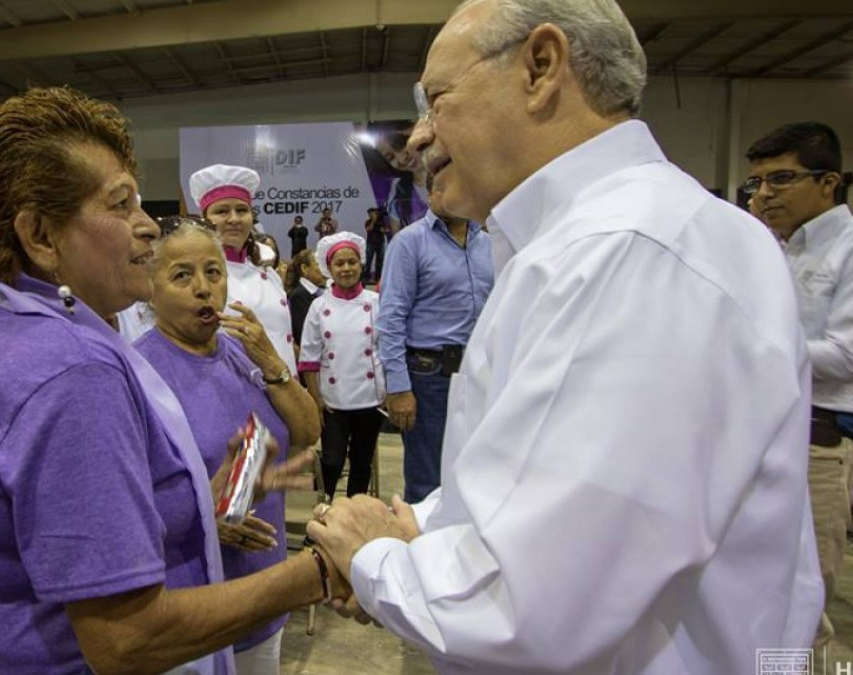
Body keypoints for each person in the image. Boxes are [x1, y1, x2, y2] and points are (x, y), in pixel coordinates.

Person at [306, 2, 822, 673]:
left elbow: (533, 601)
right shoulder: (593, 241)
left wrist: (373, 558)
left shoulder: (629, 252)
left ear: (541, 67)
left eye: (436, 100)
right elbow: (527, 482)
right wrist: (422, 528)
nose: (423, 136)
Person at [0, 87, 347, 675]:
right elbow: (126, 640)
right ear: (42, 237)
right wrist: (320, 570)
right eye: (121, 205)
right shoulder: (72, 371)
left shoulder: (23, 336)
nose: (147, 227)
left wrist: (197, 502)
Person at [745, 121, 853, 648]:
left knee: (797, 609)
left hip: (816, 444)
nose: (765, 194)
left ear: (829, 181)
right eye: (758, 182)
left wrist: (735, 341)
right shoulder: (771, 248)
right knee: (749, 597)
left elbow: (848, 357)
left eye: (781, 179)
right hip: (754, 435)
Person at [133, 217, 320, 675]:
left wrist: (272, 362)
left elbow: (306, 432)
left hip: (262, 592)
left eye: (213, 272)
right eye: (182, 275)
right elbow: (124, 506)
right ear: (150, 289)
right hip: (192, 604)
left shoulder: (240, 351)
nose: (204, 288)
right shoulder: (137, 372)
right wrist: (204, 519)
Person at [378, 182, 493, 503]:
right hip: (429, 378)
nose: (451, 193)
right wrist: (398, 387)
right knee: (428, 482)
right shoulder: (409, 243)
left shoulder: (488, 244)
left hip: (481, 374)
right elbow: (391, 319)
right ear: (429, 194)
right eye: (441, 187)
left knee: (477, 475)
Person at [299, 233, 385, 500]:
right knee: (332, 460)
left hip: (371, 398)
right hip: (333, 401)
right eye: (339, 264)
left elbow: (388, 349)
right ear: (329, 268)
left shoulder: (376, 302)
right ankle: (325, 508)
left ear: (361, 264)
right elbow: (309, 359)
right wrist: (316, 400)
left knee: (361, 461)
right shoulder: (319, 306)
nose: (346, 268)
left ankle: (355, 511)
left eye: (352, 262)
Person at [191, 164, 297, 375]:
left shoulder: (270, 274)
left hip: (286, 384)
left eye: (242, 210)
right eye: (222, 211)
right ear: (205, 219)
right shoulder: (198, 277)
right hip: (237, 385)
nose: (234, 219)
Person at [285, 248, 326, 358]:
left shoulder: (323, 292)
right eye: (319, 264)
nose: (325, 269)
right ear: (304, 268)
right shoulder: (299, 296)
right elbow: (303, 334)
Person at [363, 207, 389, 284]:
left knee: (380, 261)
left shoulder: (382, 222)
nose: (371, 215)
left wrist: (381, 229)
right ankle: (366, 277)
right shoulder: (368, 222)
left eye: (372, 214)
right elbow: (369, 229)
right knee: (368, 260)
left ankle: (378, 278)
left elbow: (386, 230)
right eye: (369, 214)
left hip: (380, 243)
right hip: (370, 243)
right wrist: (373, 221)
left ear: (376, 214)